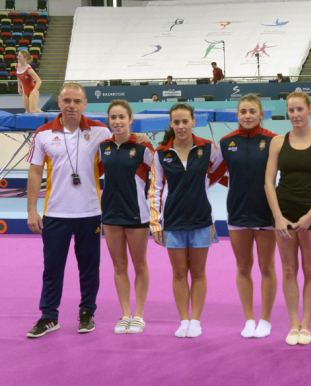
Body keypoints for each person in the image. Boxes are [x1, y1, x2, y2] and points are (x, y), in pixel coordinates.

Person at [25, 83, 112, 338]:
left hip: (90, 212)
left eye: (76, 101)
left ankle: (87, 312)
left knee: (89, 267)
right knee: (52, 268)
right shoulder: (42, 133)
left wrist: (137, 139)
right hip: (55, 213)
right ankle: (49, 316)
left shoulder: (100, 131)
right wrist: (32, 210)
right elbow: (35, 172)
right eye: (66, 101)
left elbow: (119, 149)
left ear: (85, 104)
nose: (71, 105)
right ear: (59, 103)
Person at [264, 91, 311, 345]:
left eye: (299, 110)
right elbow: (269, 183)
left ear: (310, 109)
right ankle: (293, 324)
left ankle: (306, 324)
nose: (295, 115)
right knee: (289, 269)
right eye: (291, 110)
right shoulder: (278, 142)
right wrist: (278, 217)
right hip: (283, 212)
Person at [149, 103, 221, 338]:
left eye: (184, 121)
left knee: (198, 271)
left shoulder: (208, 148)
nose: (180, 126)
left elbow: (221, 171)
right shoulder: (161, 153)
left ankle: (196, 321)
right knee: (179, 272)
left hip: (202, 219)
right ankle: (183, 320)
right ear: (171, 124)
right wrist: (156, 223)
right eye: (176, 122)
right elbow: (155, 189)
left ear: (193, 122)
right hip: (173, 220)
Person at [213, 95, 278, 338]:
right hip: (237, 212)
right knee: (243, 267)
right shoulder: (226, 142)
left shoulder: (273, 140)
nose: (248, 115)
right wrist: (237, 184)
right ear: (237, 115)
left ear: (261, 114)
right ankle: (249, 318)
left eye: (252, 111)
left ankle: (266, 319)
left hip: (266, 213)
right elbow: (212, 173)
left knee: (267, 266)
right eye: (243, 112)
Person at [99, 100, 154, 334]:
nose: (118, 122)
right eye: (113, 118)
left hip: (137, 213)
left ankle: (139, 315)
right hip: (110, 213)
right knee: (119, 265)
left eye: (122, 117)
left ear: (130, 119)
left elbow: (162, 174)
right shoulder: (103, 147)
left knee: (139, 264)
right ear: (108, 121)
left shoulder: (143, 148)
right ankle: (125, 314)